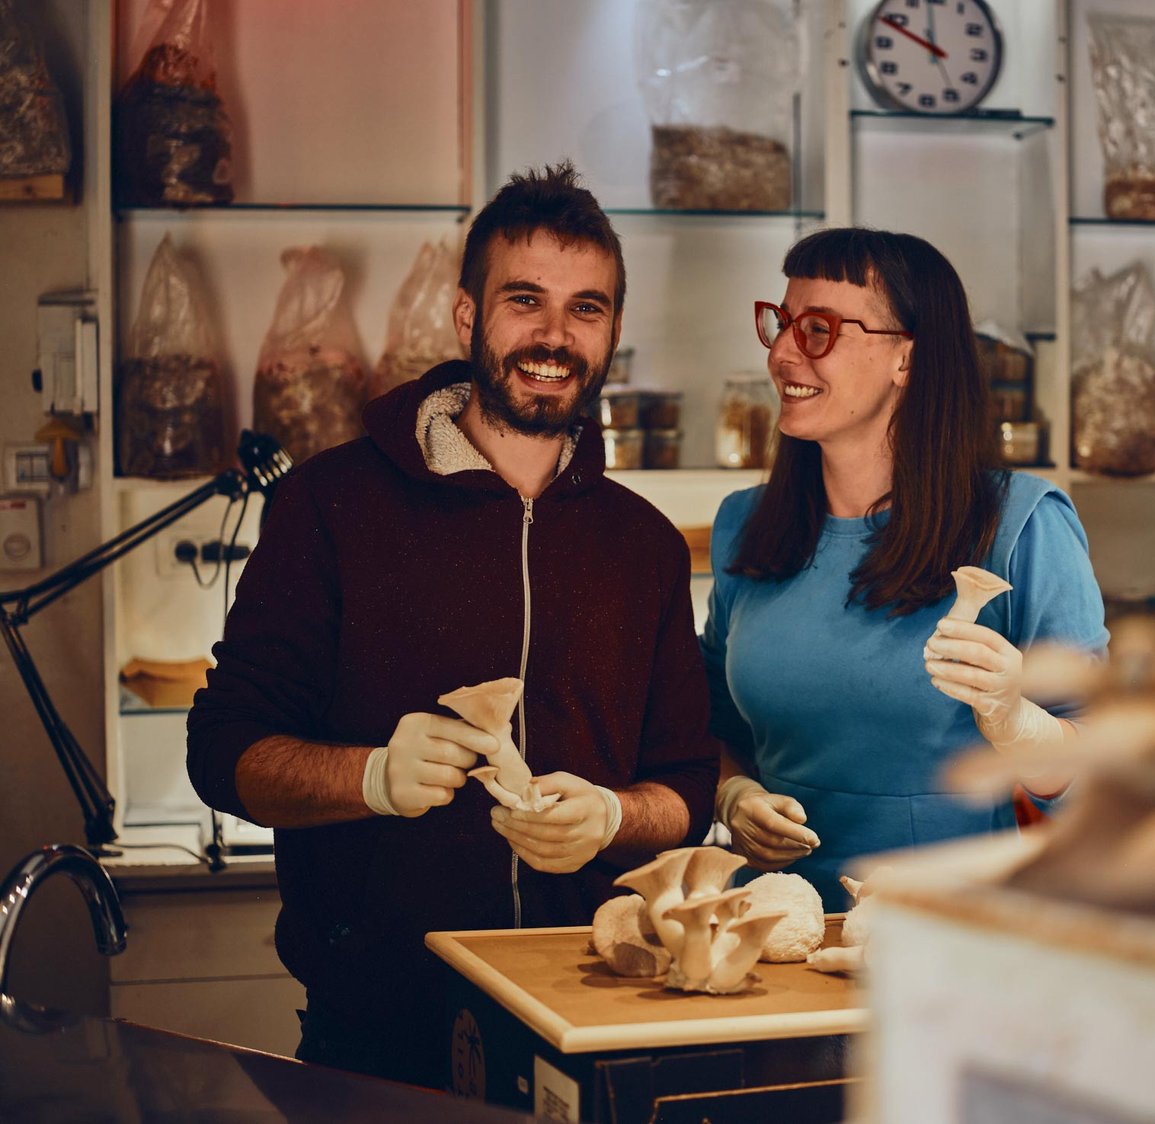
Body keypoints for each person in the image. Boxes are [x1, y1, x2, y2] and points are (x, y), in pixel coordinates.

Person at [187, 162, 718, 1089]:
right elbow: (224, 751)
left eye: (586, 309)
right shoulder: (332, 505)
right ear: (468, 317)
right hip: (378, 1029)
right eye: (526, 301)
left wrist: (612, 819)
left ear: (614, 333)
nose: (554, 337)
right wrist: (373, 779)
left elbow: (686, 782)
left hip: (596, 1022)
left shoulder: (646, 545)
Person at [701, 227, 1108, 910]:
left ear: (907, 360)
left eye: (820, 329)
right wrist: (731, 793)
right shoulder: (746, 525)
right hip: (770, 934)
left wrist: (1022, 724)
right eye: (780, 322)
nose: (782, 352)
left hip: (956, 944)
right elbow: (706, 721)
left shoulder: (1021, 526)